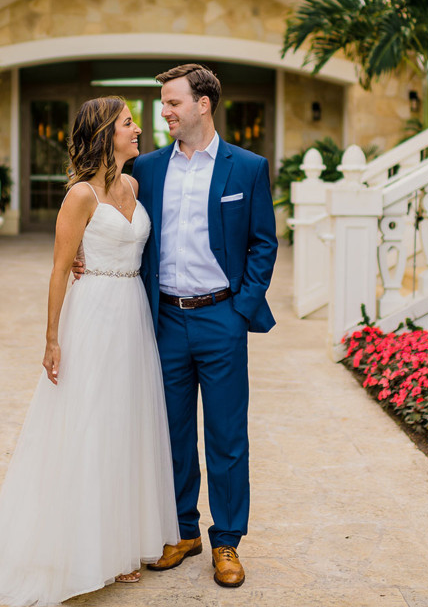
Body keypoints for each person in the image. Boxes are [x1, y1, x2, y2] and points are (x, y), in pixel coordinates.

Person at [0, 96, 178, 607]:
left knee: (125, 424)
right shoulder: (80, 195)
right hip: (92, 315)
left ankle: (122, 546)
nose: (138, 129)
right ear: (106, 132)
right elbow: (60, 269)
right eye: (129, 123)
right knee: (88, 423)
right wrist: (52, 338)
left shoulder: (135, 184)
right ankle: (83, 550)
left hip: (132, 314)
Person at [80, 64, 279, 588]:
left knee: (227, 435)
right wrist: (82, 253)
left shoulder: (248, 167)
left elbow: (263, 242)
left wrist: (242, 305)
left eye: (171, 103)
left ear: (203, 104)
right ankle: (182, 529)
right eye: (162, 103)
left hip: (221, 316)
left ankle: (228, 541)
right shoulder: (145, 168)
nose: (161, 113)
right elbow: (100, 210)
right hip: (162, 318)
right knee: (168, 431)